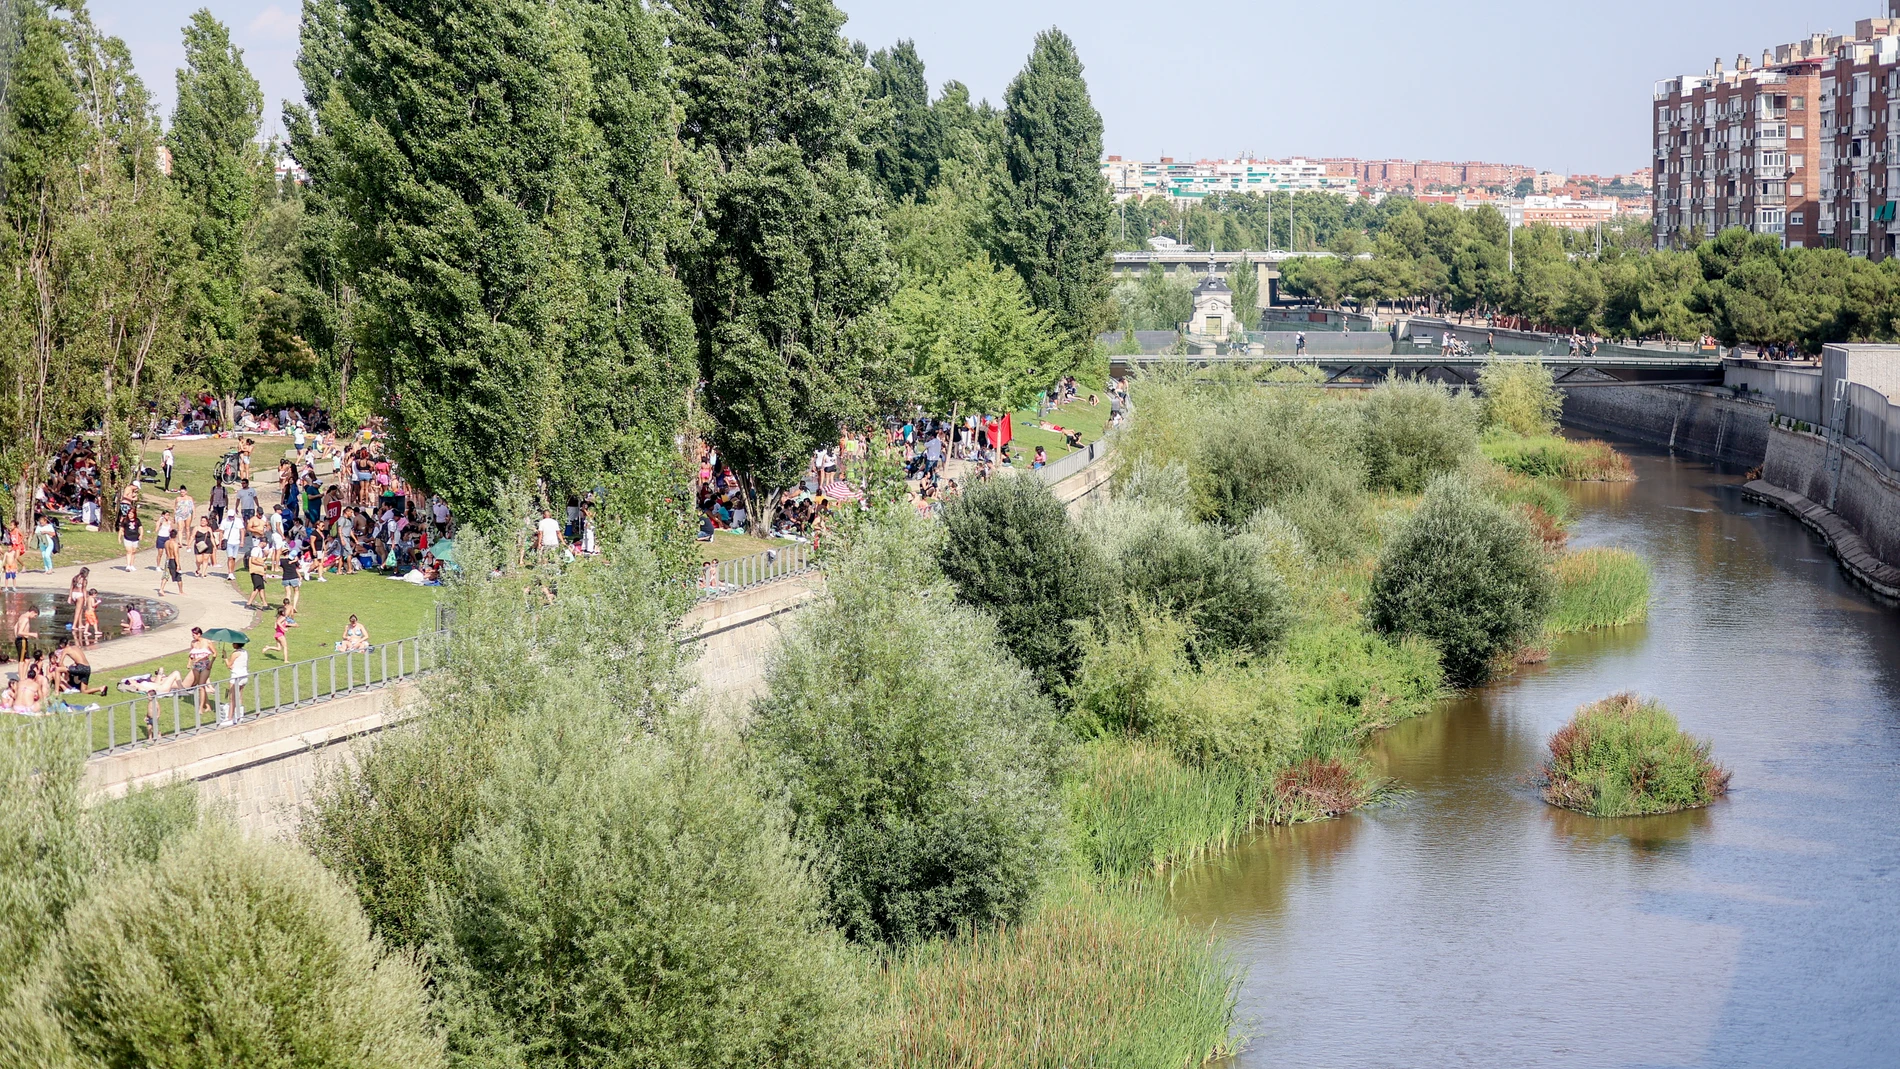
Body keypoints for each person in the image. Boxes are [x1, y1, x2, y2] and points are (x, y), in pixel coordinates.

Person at [186, 627, 215, 714]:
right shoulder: (193, 643)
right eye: (192, 635)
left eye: (194, 635)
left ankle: (200, 707)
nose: (193, 636)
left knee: (201, 685)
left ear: (199, 634)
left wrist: (211, 664)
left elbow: (215, 653)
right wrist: (189, 663)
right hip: (196, 665)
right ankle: (208, 705)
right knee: (200, 686)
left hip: (205, 664)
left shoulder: (207, 642)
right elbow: (191, 654)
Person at [222, 642, 250, 724]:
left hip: (236, 677)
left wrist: (225, 657)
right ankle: (240, 716)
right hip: (244, 676)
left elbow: (229, 665)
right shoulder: (245, 652)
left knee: (232, 698)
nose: (232, 644)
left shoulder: (235, 653)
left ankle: (230, 718)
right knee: (240, 696)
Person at [119, 508, 142, 572]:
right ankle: (128, 565)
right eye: (129, 513)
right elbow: (121, 529)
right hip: (127, 537)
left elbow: (141, 528)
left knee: (133, 551)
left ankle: (132, 565)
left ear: (134, 514)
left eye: (131, 514)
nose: (130, 515)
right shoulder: (125, 520)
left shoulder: (137, 520)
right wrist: (119, 537)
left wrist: (141, 535)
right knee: (129, 551)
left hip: (135, 538)